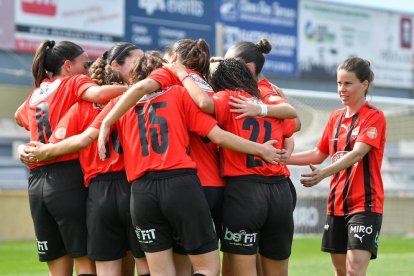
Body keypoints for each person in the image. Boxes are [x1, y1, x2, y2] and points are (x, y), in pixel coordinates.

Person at [97, 52, 282, 276]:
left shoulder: (119, 105)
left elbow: (86, 137)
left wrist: (106, 123)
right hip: (179, 184)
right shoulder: (178, 94)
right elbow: (219, 137)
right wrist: (261, 149)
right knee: (207, 267)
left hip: (140, 192)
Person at [14, 40, 126, 276]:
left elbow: (18, 116)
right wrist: (139, 87)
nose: (88, 72)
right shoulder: (74, 82)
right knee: (85, 263)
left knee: (57, 267)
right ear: (68, 66)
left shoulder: (37, 92)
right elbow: (98, 93)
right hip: (68, 177)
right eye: (85, 66)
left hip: (36, 183)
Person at [288, 57, 386, 276]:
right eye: (339, 83)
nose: (342, 89)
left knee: (353, 271)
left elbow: (358, 153)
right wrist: (282, 158)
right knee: (341, 272)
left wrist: (323, 173)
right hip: (337, 204)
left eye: (348, 83)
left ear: (365, 85)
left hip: (365, 205)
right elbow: (318, 153)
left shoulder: (374, 117)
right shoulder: (335, 118)